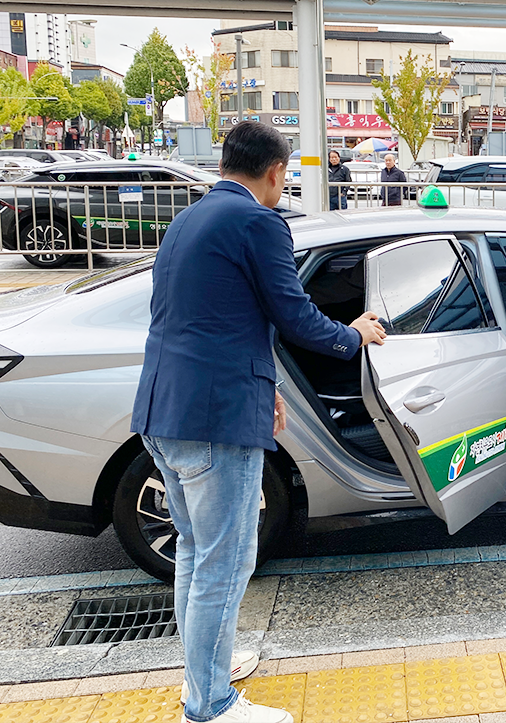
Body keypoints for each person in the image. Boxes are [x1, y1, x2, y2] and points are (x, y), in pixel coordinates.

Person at [131, 121, 386, 723]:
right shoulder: (260, 221)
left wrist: (264, 383)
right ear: (275, 171)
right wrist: (354, 334)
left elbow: (213, 316)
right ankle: (211, 704)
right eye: (286, 173)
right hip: (216, 419)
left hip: (163, 409)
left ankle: (205, 670)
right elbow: (293, 314)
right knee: (225, 560)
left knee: (196, 551)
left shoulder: (188, 219)